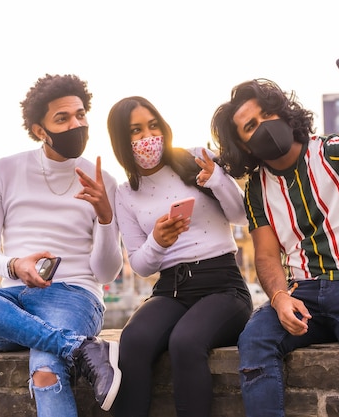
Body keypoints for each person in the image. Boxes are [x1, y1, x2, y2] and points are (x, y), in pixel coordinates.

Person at [210, 76, 339, 417]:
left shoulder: (333, 151)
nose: (264, 126)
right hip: (301, 292)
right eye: (250, 126)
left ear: (284, 113)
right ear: (244, 146)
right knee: (255, 341)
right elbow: (265, 255)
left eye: (267, 115)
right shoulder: (257, 190)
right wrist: (278, 298)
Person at [0, 74, 123, 416]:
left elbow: (106, 272)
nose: (75, 124)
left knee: (46, 370)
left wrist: (106, 217)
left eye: (80, 115)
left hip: (74, 295)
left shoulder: (103, 180)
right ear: (39, 130)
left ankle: (67, 345)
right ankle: (79, 348)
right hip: (14, 302)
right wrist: (16, 265)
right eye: (62, 119)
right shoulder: (2, 171)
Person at [107, 96, 253, 417]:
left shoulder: (196, 158)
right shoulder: (125, 192)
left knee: (186, 342)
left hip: (223, 287)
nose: (148, 136)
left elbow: (242, 214)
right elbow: (141, 265)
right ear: (121, 139)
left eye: (153, 125)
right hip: (170, 289)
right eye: (136, 130)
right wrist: (158, 241)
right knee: (133, 341)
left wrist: (216, 179)